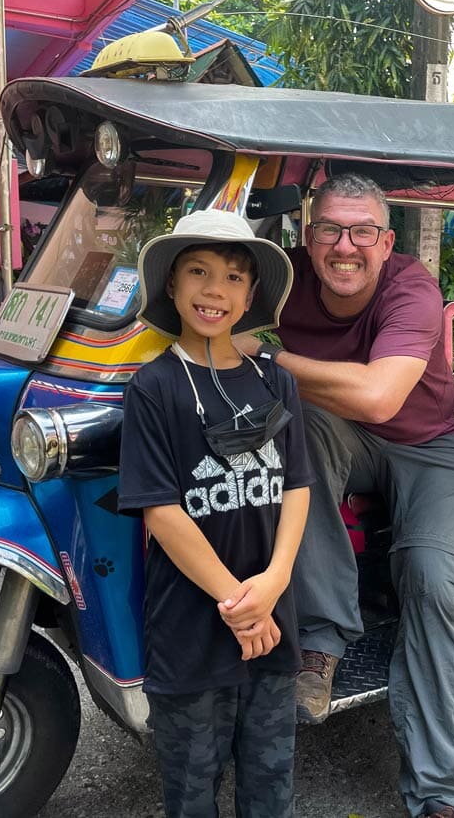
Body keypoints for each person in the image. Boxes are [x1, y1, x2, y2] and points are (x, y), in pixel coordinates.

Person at [235, 174, 454, 818]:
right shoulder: (281, 278)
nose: (344, 246)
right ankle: (320, 644)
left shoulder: (412, 288)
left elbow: (378, 396)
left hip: (432, 446)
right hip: (340, 437)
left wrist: (266, 358)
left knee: (432, 578)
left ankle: (437, 794)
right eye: (328, 229)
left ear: (387, 240)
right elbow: (201, 308)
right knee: (302, 427)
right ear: (306, 235)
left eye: (362, 232)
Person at [118, 209, 312, 818]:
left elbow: (298, 488)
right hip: (192, 631)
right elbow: (160, 511)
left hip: (272, 622)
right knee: (191, 786)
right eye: (198, 272)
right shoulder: (154, 387)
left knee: (270, 777)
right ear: (171, 286)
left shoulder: (276, 382)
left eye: (233, 277)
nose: (214, 290)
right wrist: (239, 606)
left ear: (251, 294)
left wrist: (275, 583)